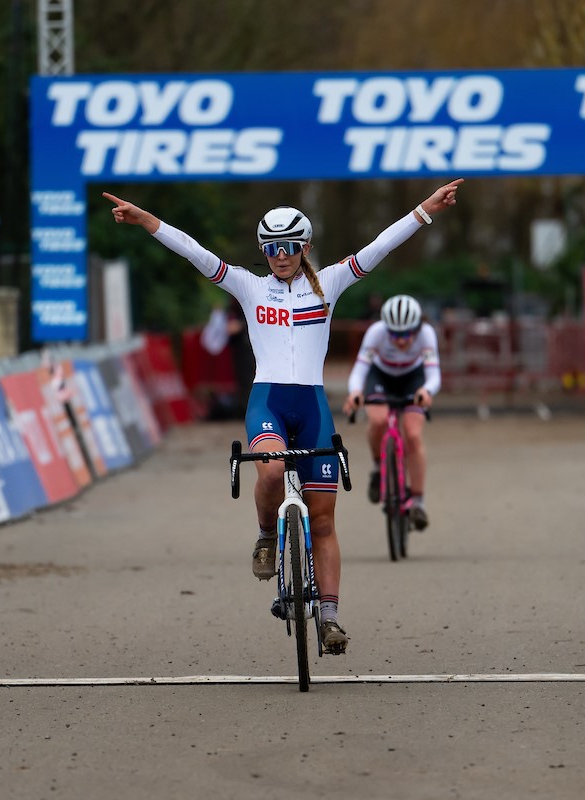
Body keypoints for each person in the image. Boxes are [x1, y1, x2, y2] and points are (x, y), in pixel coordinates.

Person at [103, 179, 464, 655]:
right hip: (269, 401)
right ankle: (265, 535)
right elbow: (194, 252)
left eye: (289, 246)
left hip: (312, 406)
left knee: (326, 520)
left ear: (305, 247)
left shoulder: (329, 283)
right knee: (271, 469)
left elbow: (378, 247)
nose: (280, 255)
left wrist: (424, 210)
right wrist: (146, 221)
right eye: (271, 247)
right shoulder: (249, 287)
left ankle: (330, 618)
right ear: (263, 250)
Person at [342, 295, 441, 530]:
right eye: (395, 334)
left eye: (407, 334)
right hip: (381, 376)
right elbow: (360, 369)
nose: (401, 340)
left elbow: (434, 375)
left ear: (417, 328)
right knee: (378, 420)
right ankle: (378, 468)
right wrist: (355, 392)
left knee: (413, 435)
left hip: (412, 378)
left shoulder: (427, 334)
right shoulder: (376, 332)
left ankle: (418, 502)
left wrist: (427, 391)